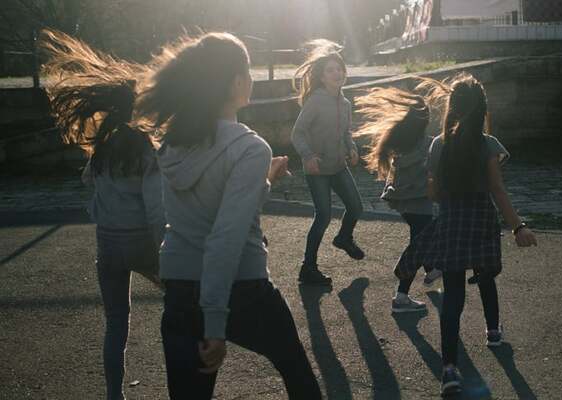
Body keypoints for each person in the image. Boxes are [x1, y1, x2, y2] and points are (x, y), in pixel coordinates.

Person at [135, 32, 322, 399]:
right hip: (243, 289)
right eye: (247, 71)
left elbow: (170, 215)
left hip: (180, 287)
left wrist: (263, 182)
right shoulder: (250, 148)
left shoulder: (172, 144)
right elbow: (225, 238)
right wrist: (215, 324)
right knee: (299, 376)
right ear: (236, 82)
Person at [395, 74, 538, 396]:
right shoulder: (487, 144)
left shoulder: (438, 144)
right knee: (485, 276)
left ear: (452, 108)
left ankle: (449, 369)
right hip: (482, 219)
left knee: (454, 294)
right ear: (483, 107)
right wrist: (518, 226)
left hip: (452, 221)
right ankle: (492, 331)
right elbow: (497, 190)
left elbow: (433, 194)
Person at [41, 29, 165, 400]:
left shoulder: (103, 148)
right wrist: (167, 250)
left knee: (116, 323)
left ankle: (114, 394)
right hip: (142, 241)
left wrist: (101, 213)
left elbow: (88, 185)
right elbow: (156, 208)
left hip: (108, 244)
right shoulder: (144, 148)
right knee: (182, 301)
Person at [354, 87, 442, 313]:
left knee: (421, 241)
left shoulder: (402, 143)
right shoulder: (426, 144)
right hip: (419, 203)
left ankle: (432, 269)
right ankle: (401, 297)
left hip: (404, 204)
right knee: (418, 247)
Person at [291, 40, 364, 285]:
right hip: (318, 169)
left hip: (338, 167)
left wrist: (352, 148)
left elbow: (346, 133)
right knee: (323, 216)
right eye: (330, 70)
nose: (336, 73)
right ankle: (308, 268)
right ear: (322, 77)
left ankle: (344, 238)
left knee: (356, 207)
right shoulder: (315, 101)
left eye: (339, 69)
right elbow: (297, 133)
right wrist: (308, 156)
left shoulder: (345, 104)